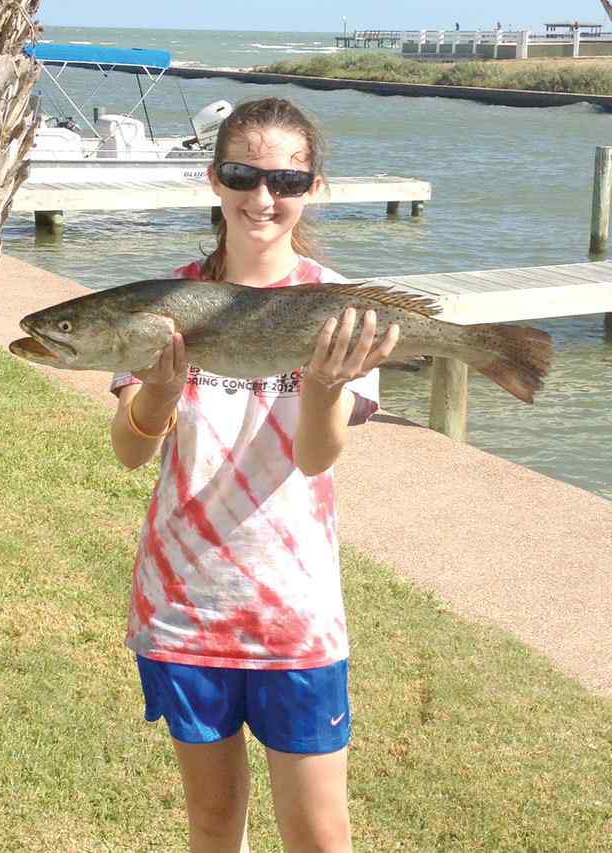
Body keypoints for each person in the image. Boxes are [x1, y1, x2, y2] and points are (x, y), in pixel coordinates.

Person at [110, 96, 399, 853]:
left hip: (294, 613)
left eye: (285, 178)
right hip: (183, 605)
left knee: (319, 834)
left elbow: (314, 458)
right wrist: (161, 391)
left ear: (312, 186)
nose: (263, 197)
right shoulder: (160, 305)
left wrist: (328, 383)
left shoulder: (342, 307)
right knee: (211, 824)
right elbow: (132, 450)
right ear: (213, 178)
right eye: (242, 173)